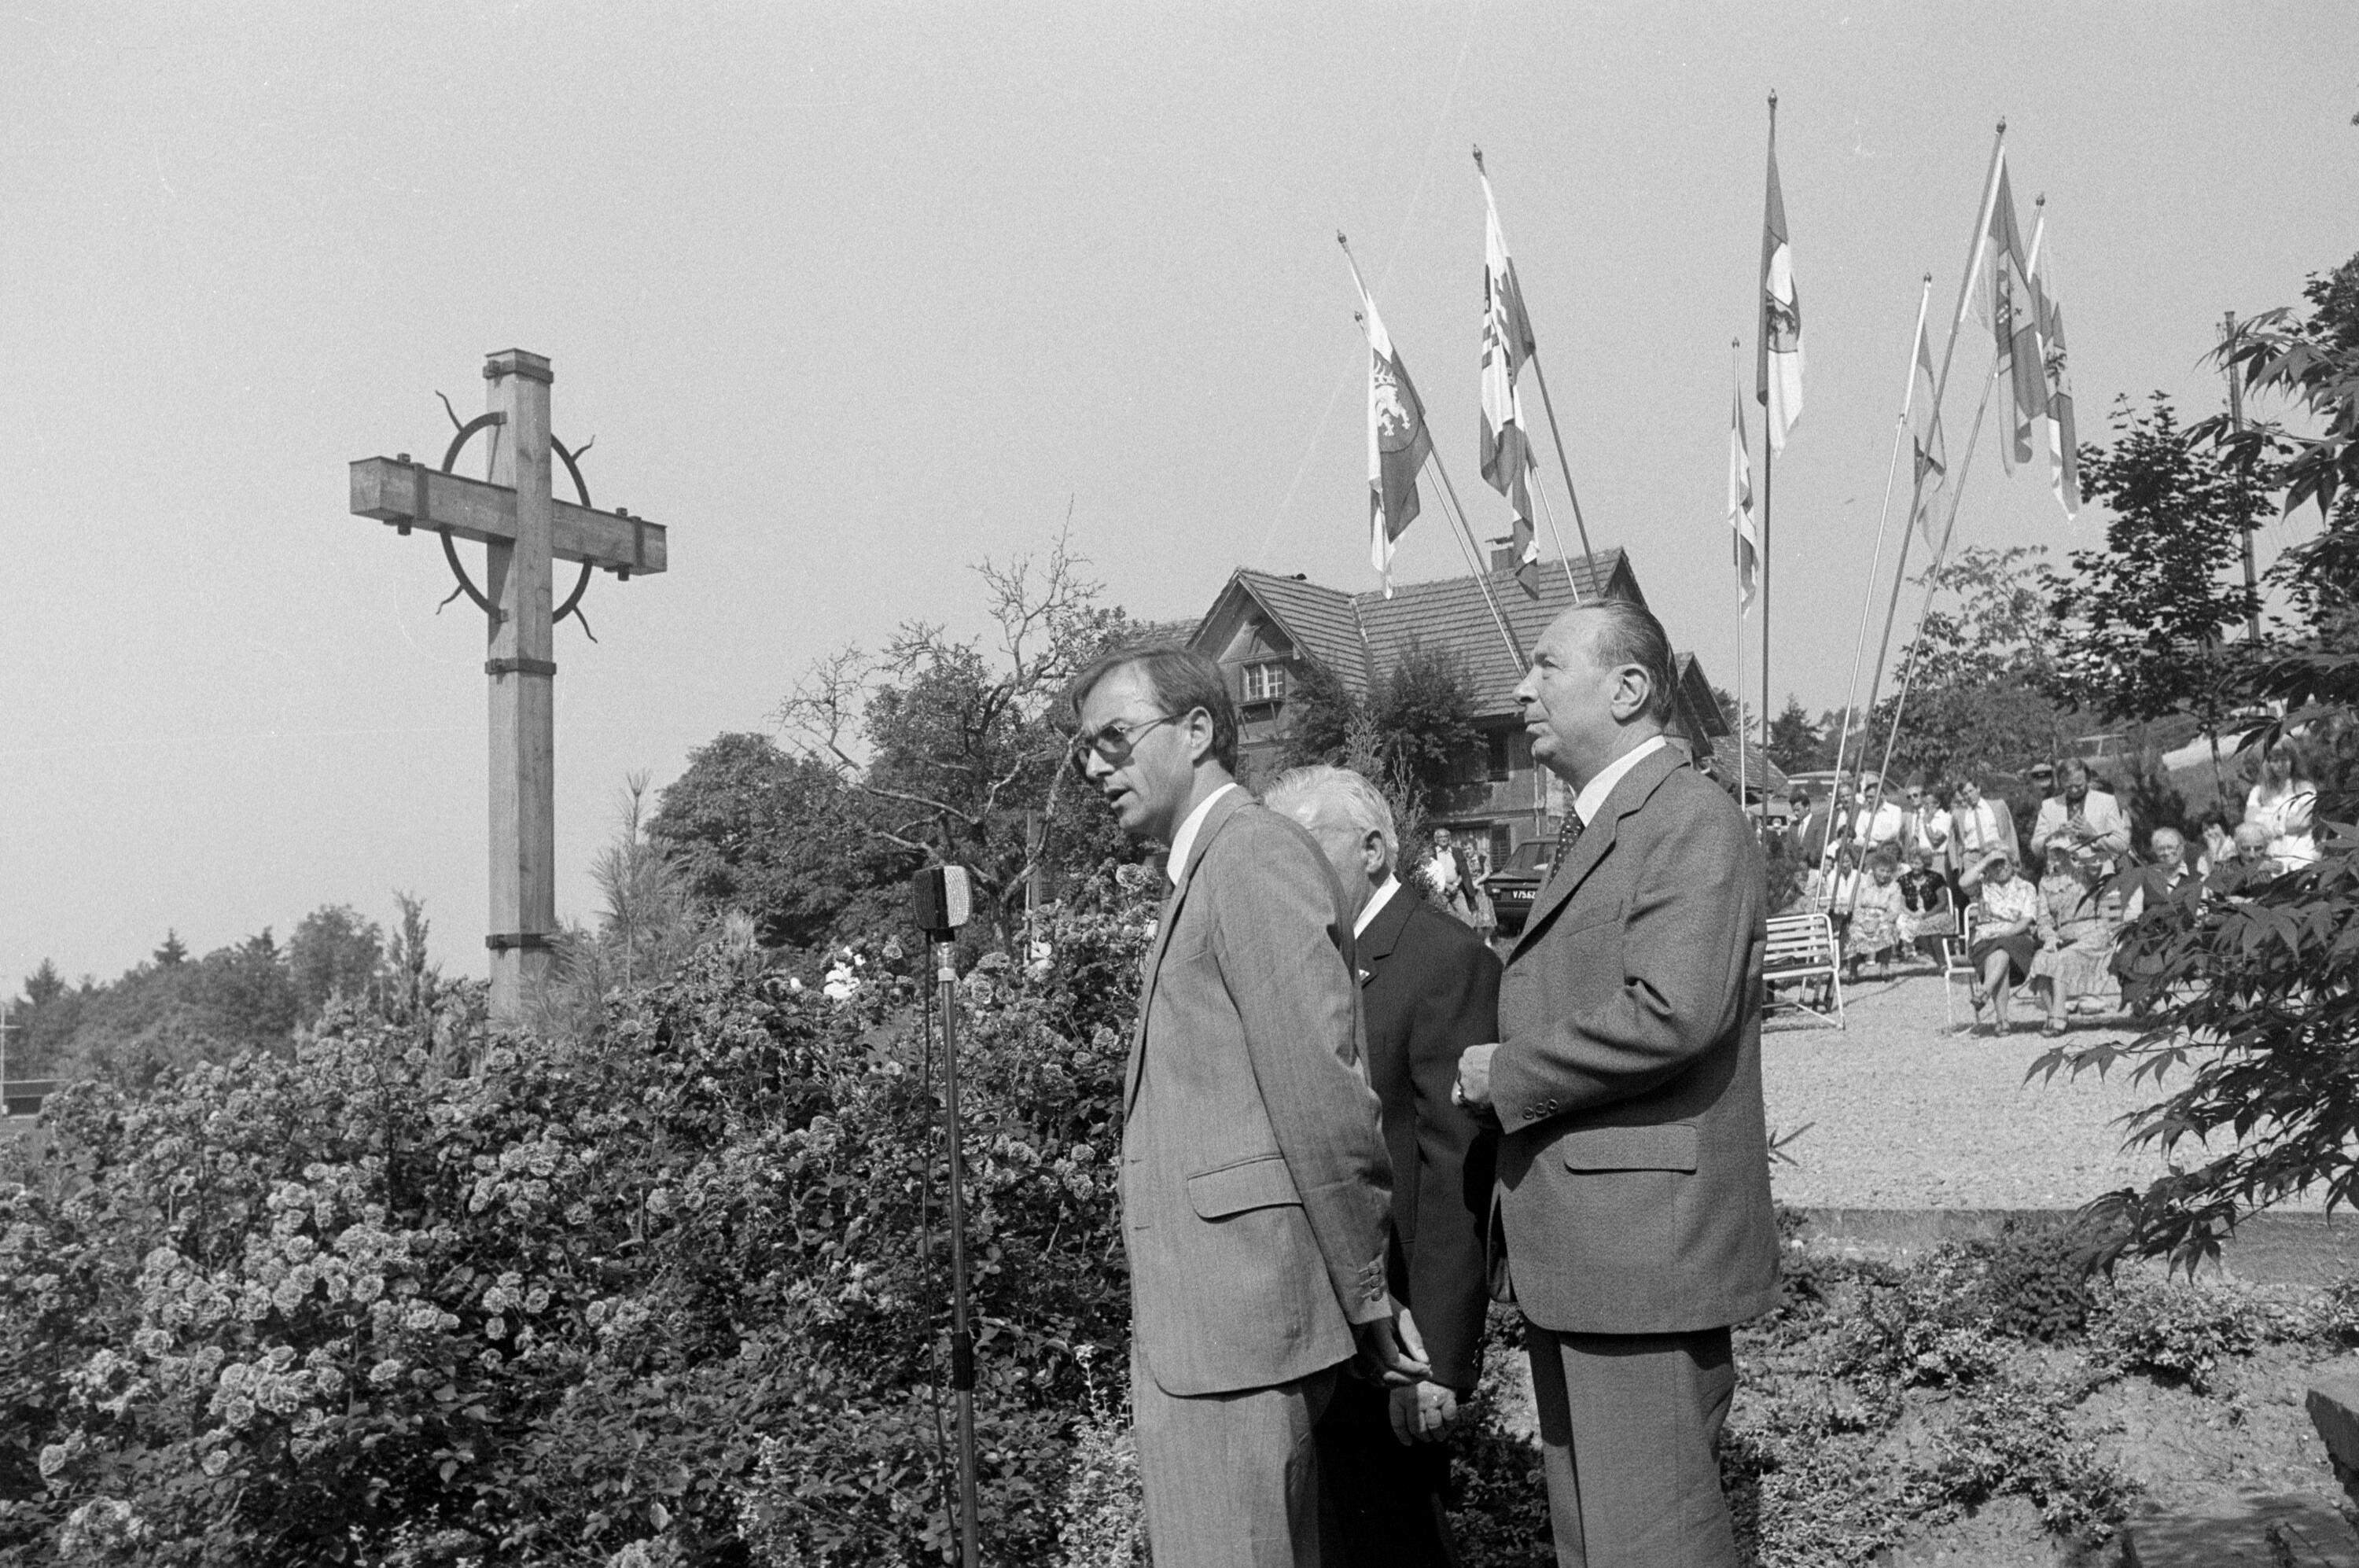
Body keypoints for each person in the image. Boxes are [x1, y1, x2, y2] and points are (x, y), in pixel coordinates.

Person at [1066, 645, 1422, 1566]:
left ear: (1198, 731)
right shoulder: (1209, 867)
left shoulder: (1253, 855)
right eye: (1084, 750)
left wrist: (1367, 1289)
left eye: (1115, 737)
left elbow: (1324, 1092)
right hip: (1212, 1331)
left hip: (1238, 1336)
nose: (1097, 766)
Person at [1453, 600, 1777, 1568]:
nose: (1522, 687)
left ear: (1630, 689)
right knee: (1602, 1546)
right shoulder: (1613, 823)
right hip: (1597, 1257)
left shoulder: (1689, 820)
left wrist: (1507, 1072)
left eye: (1548, 666)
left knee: (1653, 1544)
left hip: (1643, 1256)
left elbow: (1673, 1009)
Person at [1267, 766, 1500, 1568]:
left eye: (1302, 842)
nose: (1283, 863)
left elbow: (1455, 1167)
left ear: (1372, 847)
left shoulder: (1443, 957)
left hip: (1395, 1338)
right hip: (1316, 1331)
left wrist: (1431, 1355)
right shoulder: (1304, 959)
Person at [2029, 846, 2120, 1034]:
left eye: (2060, 856)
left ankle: (2059, 1016)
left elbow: (2097, 863)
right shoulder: (2045, 883)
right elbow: (2044, 919)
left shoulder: (2084, 874)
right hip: (2063, 938)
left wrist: (2076, 851)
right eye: (2051, 857)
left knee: (2060, 960)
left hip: (2093, 935)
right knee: (2041, 958)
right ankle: (2053, 1014)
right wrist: (2050, 937)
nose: (2055, 861)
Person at [1966, 850, 2040, 1035]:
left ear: (2013, 865)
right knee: (2000, 954)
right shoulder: (1983, 886)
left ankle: (1985, 991)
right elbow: (1963, 883)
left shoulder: (2026, 887)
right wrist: (1987, 859)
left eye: (2003, 863)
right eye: (1994, 864)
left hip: (2017, 936)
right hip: (1985, 939)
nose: (1999, 868)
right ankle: (2002, 1020)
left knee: (2004, 945)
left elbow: (2027, 919)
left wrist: (2006, 933)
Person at [2030, 758, 2133, 871]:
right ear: (2061, 782)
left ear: (2087, 779)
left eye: (2078, 785)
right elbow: (2036, 848)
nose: (2074, 790)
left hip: (2099, 876)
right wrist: (2056, 836)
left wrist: (2094, 836)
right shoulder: (2049, 806)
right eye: (2068, 786)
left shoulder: (2106, 802)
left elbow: (2122, 844)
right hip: (2062, 877)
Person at [1945, 777, 2020, 900]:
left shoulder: (1997, 806)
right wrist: (1956, 865)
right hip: (1972, 857)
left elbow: (2010, 832)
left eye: (1971, 791)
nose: (1969, 795)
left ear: (1978, 789)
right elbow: (1953, 840)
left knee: (2002, 890)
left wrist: (2015, 857)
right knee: (1976, 895)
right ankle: (1980, 917)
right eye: (1965, 794)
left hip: (1995, 853)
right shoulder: (1959, 814)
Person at [2246, 749, 2320, 868]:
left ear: (2293, 761)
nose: (2280, 765)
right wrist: (2284, 823)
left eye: (2284, 760)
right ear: (2268, 763)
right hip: (2270, 860)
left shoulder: (2305, 788)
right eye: (2275, 761)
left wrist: (2265, 821)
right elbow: (2250, 825)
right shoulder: (2258, 792)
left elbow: (2303, 822)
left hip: (2301, 857)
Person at [1845, 847, 1908, 981]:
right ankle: (1853, 970)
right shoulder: (1863, 882)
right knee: (1854, 932)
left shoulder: (1894, 886)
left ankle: (1884, 968)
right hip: (1862, 916)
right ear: (1874, 869)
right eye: (1882, 870)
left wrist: (1879, 921)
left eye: (1888, 871)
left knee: (1887, 930)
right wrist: (1862, 921)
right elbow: (1855, 904)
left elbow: (1894, 910)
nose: (1885, 875)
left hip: (1882, 918)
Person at [1898, 841, 1957, 964]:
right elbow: (1901, 904)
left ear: (1925, 863)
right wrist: (1912, 915)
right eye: (1912, 863)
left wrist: (1927, 915)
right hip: (1913, 915)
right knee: (1912, 926)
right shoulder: (1904, 880)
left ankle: (1941, 962)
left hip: (1935, 913)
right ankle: (1939, 961)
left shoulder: (1936, 878)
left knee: (1933, 930)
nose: (1914, 866)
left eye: (1918, 863)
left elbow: (1943, 903)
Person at [1851, 778, 1907, 852]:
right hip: (1870, 851)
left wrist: (1878, 842)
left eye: (1871, 797)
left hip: (1889, 851)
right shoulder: (1864, 813)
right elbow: (1858, 836)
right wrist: (1874, 845)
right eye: (1867, 797)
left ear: (1880, 795)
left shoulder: (1895, 810)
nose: (1869, 800)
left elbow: (1894, 832)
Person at [1426, 827, 1470, 918]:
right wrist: (1446, 886)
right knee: (1450, 918)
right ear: (1436, 839)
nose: (1443, 839)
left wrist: (1455, 885)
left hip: (1456, 890)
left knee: (1466, 916)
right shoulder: (1431, 853)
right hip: (1440, 892)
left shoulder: (1457, 852)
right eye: (1441, 837)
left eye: (1446, 836)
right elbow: (1430, 874)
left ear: (1449, 838)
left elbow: (1464, 871)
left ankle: (1468, 933)